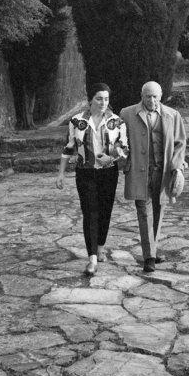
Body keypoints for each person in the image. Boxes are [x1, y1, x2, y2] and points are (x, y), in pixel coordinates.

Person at [56, 82, 128, 276]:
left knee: (105, 212)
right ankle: (92, 259)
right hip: (85, 173)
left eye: (106, 99)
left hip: (108, 173)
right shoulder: (76, 121)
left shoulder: (117, 122)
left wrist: (111, 158)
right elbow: (68, 148)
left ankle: (100, 246)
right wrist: (61, 173)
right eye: (99, 99)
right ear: (90, 100)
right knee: (90, 213)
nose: (103, 103)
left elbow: (124, 147)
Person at [120, 81, 186, 273]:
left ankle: (152, 250)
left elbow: (180, 143)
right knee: (144, 212)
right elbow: (118, 141)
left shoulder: (173, 115)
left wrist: (177, 166)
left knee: (158, 211)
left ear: (161, 96)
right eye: (148, 96)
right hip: (139, 172)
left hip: (163, 173)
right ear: (142, 96)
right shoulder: (127, 114)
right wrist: (123, 157)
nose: (152, 100)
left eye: (155, 96)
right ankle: (149, 257)